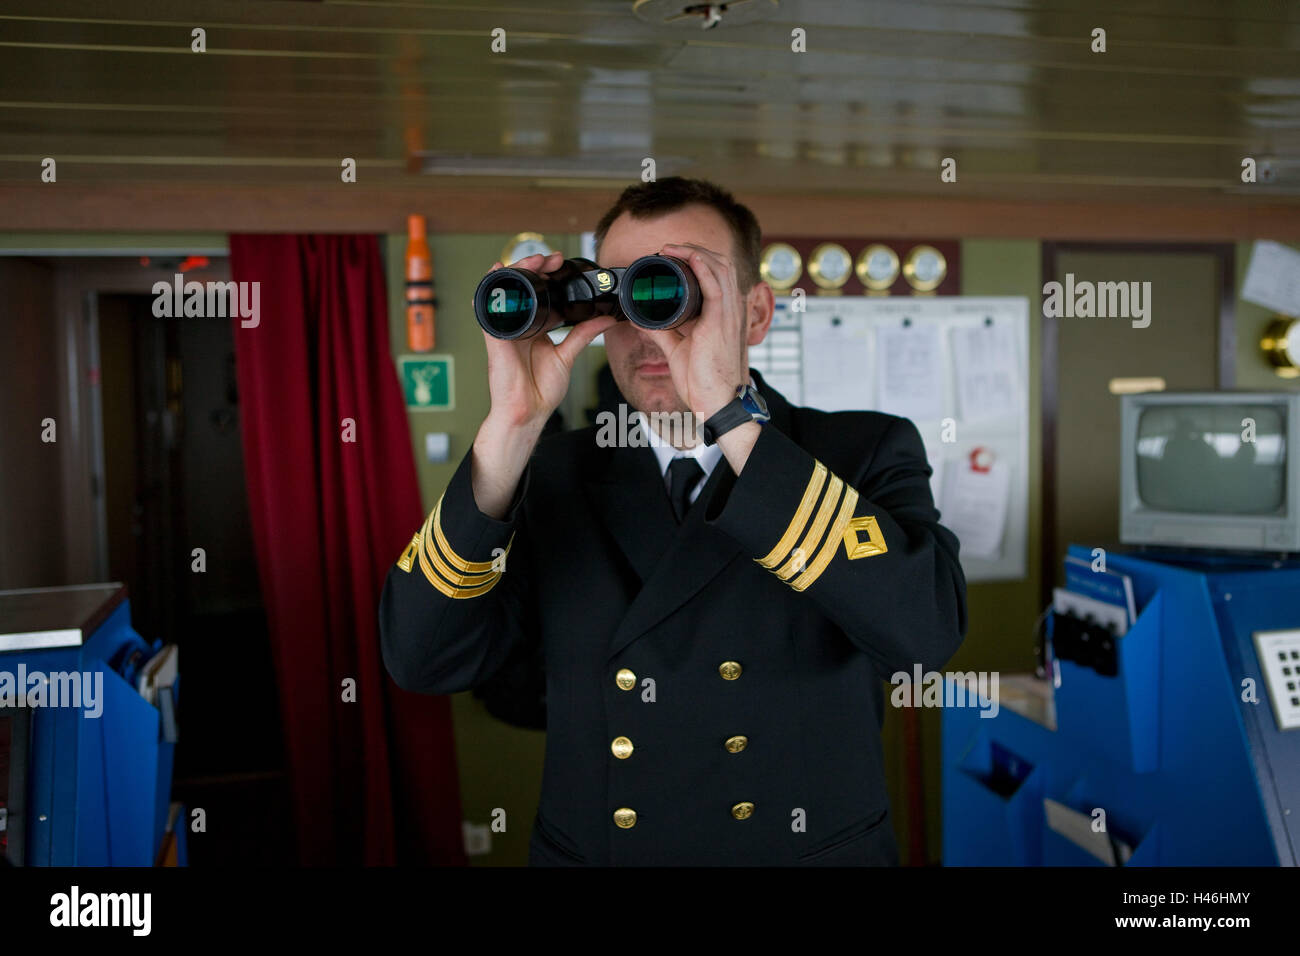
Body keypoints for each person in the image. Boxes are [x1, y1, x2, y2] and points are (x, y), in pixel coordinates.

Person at [380, 177, 967, 866]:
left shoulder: (861, 451)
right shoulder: (551, 473)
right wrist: (512, 425)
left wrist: (731, 417)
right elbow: (421, 659)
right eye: (623, 296)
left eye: (671, 288)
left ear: (753, 315)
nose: (649, 329)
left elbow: (924, 636)